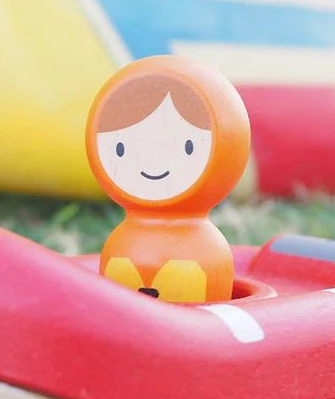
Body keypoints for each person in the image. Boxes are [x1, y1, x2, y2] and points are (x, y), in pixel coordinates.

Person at [85, 55, 250, 302]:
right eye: (122, 148)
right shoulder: (121, 242)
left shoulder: (207, 250)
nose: (152, 162)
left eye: (187, 147)